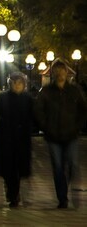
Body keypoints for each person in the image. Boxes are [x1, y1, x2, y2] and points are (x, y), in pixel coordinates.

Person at [34, 58, 87, 209]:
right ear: (54, 74)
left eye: (62, 71)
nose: (60, 74)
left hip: (71, 134)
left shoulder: (74, 91)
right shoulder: (47, 92)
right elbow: (38, 110)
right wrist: (46, 126)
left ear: (66, 73)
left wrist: (77, 126)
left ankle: (69, 189)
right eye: (57, 71)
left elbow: (83, 110)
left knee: (72, 164)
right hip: (53, 135)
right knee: (58, 167)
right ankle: (62, 198)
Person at [0, 72, 33, 207]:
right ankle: (12, 192)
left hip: (22, 138)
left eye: (19, 82)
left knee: (19, 167)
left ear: (24, 84)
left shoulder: (28, 98)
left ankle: (14, 193)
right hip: (6, 138)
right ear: (10, 84)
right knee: (8, 167)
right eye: (14, 82)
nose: (17, 85)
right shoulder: (3, 97)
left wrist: (30, 129)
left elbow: (34, 115)